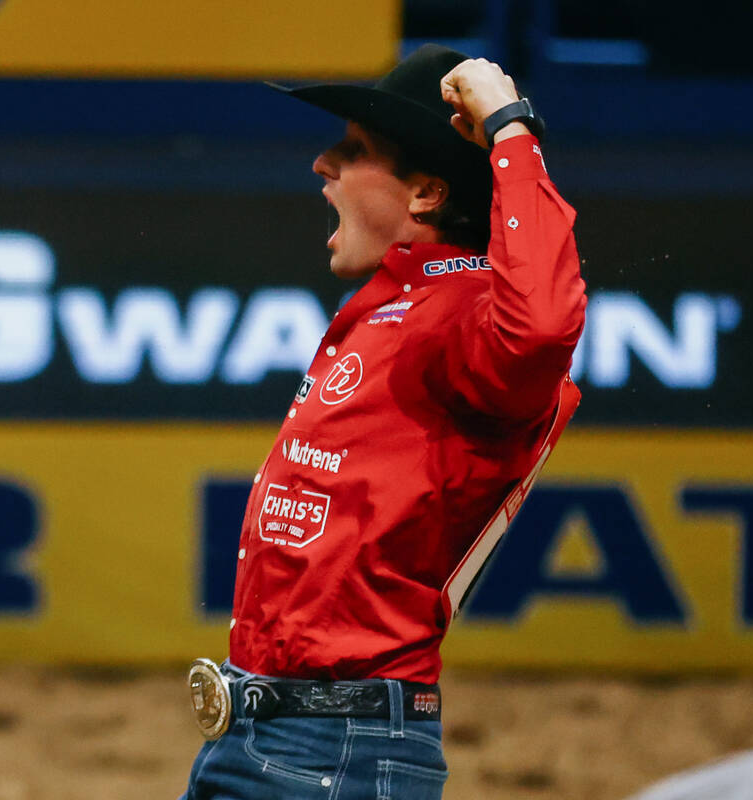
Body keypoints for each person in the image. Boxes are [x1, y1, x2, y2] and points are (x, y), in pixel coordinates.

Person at [181, 43, 587, 799]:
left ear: (426, 194)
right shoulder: (398, 308)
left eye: (354, 150)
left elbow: (542, 326)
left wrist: (509, 129)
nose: (322, 165)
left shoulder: (465, 316)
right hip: (282, 730)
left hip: (336, 746)